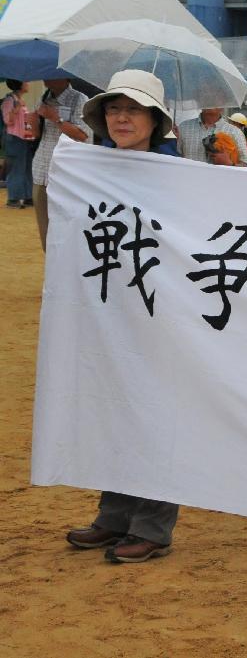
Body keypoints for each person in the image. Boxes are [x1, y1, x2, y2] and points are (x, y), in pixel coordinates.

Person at [66, 69, 180, 564]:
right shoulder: (91, 170)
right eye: (114, 109)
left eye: (133, 109)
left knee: (154, 415)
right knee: (111, 409)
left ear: (155, 121)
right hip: (108, 315)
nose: (121, 118)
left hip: (161, 319)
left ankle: (152, 525)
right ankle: (113, 516)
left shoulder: (181, 175)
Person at [31, 78, 92, 251]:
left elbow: (83, 135)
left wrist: (55, 118)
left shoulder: (80, 99)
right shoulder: (43, 98)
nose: (45, 78)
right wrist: (34, 120)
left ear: (65, 77)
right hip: (41, 170)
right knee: (45, 226)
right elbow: (37, 135)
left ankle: (69, 264)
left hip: (67, 173)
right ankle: (52, 266)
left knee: (69, 223)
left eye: (50, 73)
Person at [1, 80, 36, 208]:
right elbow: (7, 121)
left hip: (24, 138)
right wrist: (16, 108)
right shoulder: (9, 100)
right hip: (14, 138)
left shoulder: (19, 99)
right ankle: (13, 198)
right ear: (19, 84)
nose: (28, 83)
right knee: (16, 168)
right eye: (25, 82)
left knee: (27, 168)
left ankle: (28, 197)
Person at [178, 107, 247, 167]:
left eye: (215, 97)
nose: (210, 101)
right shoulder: (184, 128)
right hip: (191, 182)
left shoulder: (235, 132)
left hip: (221, 183)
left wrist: (229, 164)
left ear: (224, 103)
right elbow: (176, 159)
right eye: (206, 95)